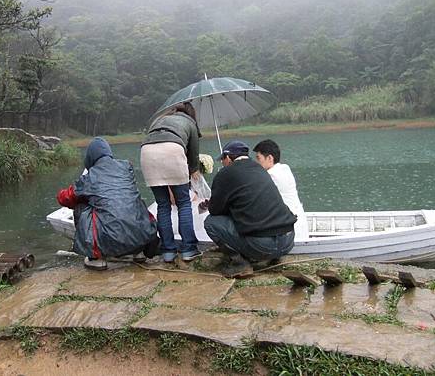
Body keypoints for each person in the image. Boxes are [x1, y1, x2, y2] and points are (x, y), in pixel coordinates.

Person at [57, 137, 159, 270]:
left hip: (110, 238)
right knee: (135, 202)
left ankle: (96, 258)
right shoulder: (126, 167)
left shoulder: (90, 176)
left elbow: (65, 198)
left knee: (80, 207)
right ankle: (138, 252)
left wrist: (68, 195)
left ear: (91, 157)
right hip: (142, 236)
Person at [202, 140, 297, 278]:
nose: (222, 163)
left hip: (263, 246)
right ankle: (274, 257)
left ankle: (240, 264)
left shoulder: (225, 174)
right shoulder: (261, 169)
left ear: (228, 158)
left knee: (211, 223)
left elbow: (215, 211)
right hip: (288, 241)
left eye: (222, 160)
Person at [140, 102, 202, 263]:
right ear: (191, 114)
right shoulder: (190, 123)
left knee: (163, 205)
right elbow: (194, 154)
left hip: (146, 152)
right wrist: (193, 170)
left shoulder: (160, 119)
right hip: (173, 150)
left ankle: (168, 251)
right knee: (183, 203)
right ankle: (188, 249)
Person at [252, 139, 309, 237]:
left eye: (258, 158)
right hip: (300, 225)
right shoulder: (285, 169)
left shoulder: (272, 176)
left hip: (289, 229)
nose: (257, 162)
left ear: (270, 158)